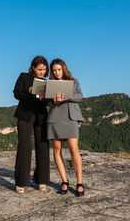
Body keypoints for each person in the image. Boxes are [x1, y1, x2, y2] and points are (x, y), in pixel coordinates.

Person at [47, 58, 85, 196]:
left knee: (74, 150)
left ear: (64, 68)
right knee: (57, 150)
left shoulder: (74, 82)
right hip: (55, 119)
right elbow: (48, 104)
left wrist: (66, 97)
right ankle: (64, 181)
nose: (57, 72)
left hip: (70, 118)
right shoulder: (50, 84)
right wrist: (55, 101)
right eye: (54, 70)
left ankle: (79, 182)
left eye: (59, 69)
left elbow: (80, 96)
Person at [13, 55, 50, 194]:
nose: (42, 72)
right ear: (33, 68)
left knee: (43, 146)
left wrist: (45, 98)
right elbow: (16, 93)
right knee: (24, 145)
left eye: (44, 70)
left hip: (41, 115)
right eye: (39, 69)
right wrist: (29, 92)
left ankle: (42, 180)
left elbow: (47, 102)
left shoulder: (46, 82)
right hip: (25, 114)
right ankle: (21, 182)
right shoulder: (23, 77)